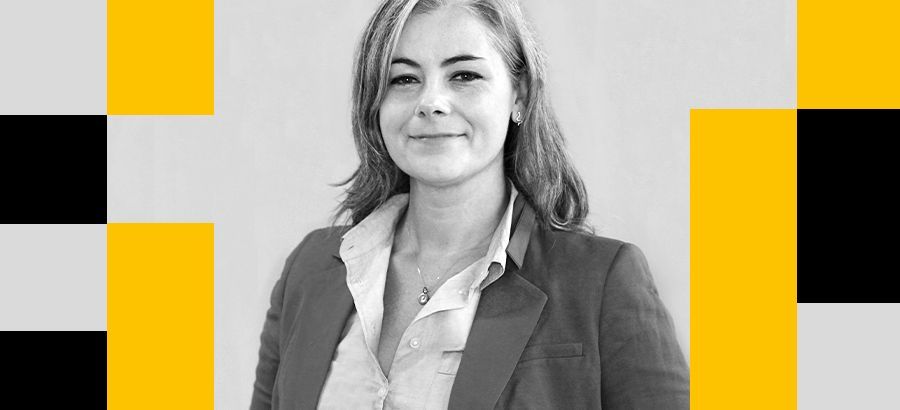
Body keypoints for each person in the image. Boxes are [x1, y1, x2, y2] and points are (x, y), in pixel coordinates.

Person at [250, 0, 689, 408]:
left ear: (519, 95)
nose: (431, 103)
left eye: (464, 76)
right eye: (404, 79)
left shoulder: (601, 282)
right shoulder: (309, 270)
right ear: (375, 103)